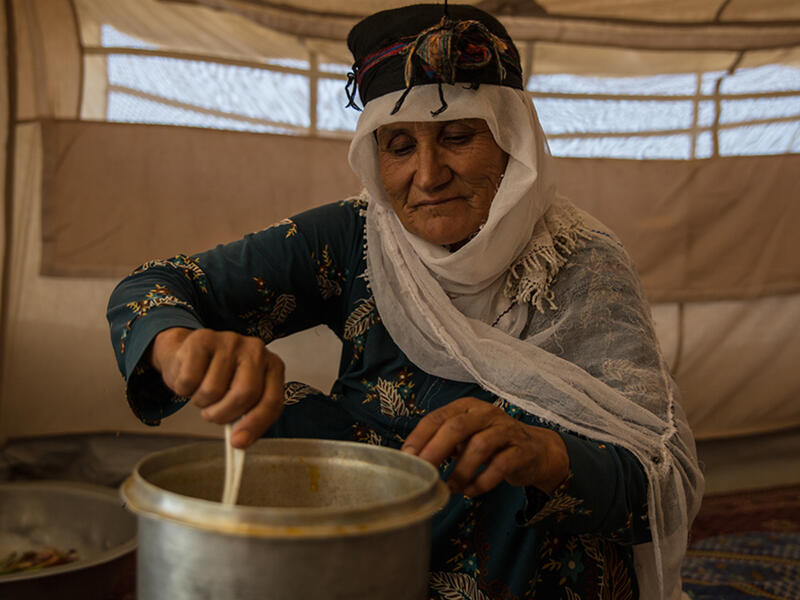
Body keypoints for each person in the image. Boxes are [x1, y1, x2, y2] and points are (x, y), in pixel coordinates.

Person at [107, 4, 703, 599]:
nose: (427, 175)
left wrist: (543, 452)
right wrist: (180, 347)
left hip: (523, 567)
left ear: (513, 144)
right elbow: (158, 285)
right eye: (398, 145)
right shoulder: (356, 237)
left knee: (509, 471)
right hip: (366, 542)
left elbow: (658, 482)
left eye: (458, 136)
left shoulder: (579, 263)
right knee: (286, 416)